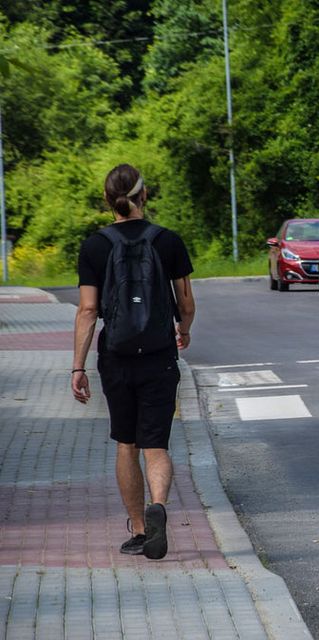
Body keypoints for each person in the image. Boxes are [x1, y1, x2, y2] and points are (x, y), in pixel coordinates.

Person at [71, 164, 196, 560]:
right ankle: (158, 504)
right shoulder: (169, 241)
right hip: (159, 355)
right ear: (144, 197)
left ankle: (140, 530)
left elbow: (88, 310)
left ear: (108, 201)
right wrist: (184, 329)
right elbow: (187, 302)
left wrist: (78, 367)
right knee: (155, 444)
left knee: (126, 443)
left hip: (117, 358)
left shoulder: (94, 246)